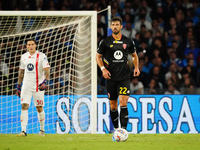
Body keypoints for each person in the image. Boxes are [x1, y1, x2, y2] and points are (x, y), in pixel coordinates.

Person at [96, 17, 140, 133]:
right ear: (111, 27)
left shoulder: (128, 41)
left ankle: (124, 131)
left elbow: (134, 55)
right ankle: (116, 130)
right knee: (113, 106)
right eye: (113, 25)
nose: (115, 26)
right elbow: (98, 56)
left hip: (124, 77)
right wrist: (103, 69)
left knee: (123, 102)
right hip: (110, 77)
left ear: (121, 27)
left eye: (117, 25)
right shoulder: (105, 42)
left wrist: (136, 67)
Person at [16, 39, 50, 136]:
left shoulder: (42, 56)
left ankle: (42, 130)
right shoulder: (24, 57)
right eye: (29, 45)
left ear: (35, 45)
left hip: (38, 85)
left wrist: (45, 81)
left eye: (32, 44)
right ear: (26, 46)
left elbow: (47, 70)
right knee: (24, 105)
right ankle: (23, 131)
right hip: (26, 85)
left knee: (39, 107)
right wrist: (19, 86)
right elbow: (21, 72)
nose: (30, 46)